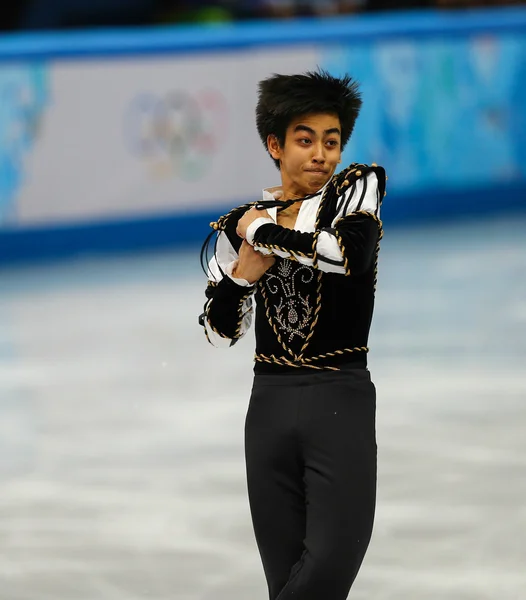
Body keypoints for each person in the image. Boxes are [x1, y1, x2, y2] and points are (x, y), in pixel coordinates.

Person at [199, 69, 386, 600]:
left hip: (338, 398)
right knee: (285, 582)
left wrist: (260, 231)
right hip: (269, 407)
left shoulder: (355, 191)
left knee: (326, 570)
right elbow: (218, 333)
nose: (321, 155)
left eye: (331, 141)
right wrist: (241, 279)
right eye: (305, 140)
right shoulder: (250, 219)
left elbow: (347, 254)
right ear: (275, 145)